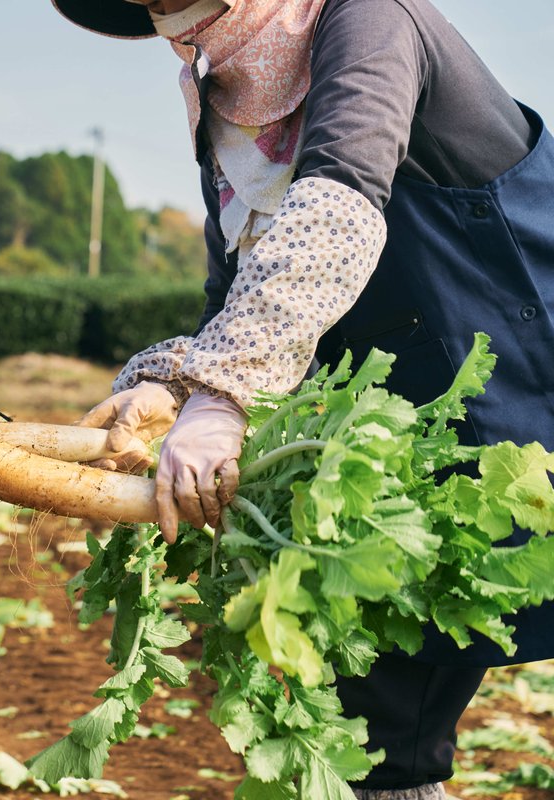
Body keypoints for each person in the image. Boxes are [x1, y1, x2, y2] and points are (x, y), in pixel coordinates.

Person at [61, 0, 553, 798]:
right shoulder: (220, 93)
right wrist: (173, 385)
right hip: (407, 430)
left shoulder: (366, 20)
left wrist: (223, 396)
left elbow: (339, 198)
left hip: (523, 373)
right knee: (381, 716)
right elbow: (239, 281)